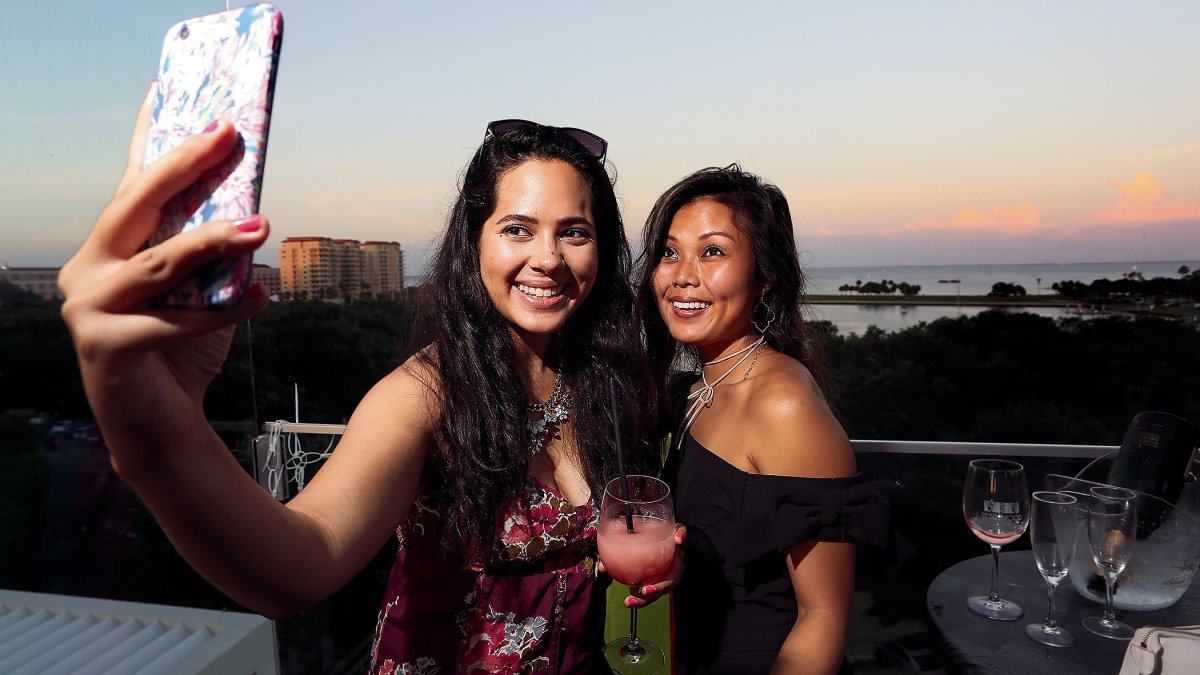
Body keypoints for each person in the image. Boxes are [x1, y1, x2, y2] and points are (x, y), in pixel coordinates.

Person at [58, 93, 678, 674]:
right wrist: (162, 437)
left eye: (574, 231)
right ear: (474, 241)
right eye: (517, 228)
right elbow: (297, 565)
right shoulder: (427, 394)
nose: (548, 257)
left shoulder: (601, 381)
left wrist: (654, 563)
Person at [636, 165, 888, 674]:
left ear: (765, 277)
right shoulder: (691, 389)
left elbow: (824, 614)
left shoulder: (781, 402)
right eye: (669, 251)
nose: (683, 274)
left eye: (712, 251)